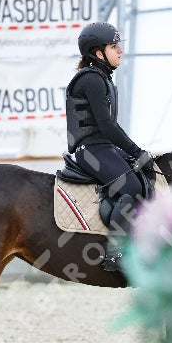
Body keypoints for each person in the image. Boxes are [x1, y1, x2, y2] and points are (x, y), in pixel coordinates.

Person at [65, 22, 154, 271]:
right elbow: (107, 126)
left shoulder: (102, 78)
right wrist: (137, 152)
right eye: (114, 47)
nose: (120, 50)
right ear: (98, 53)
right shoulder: (91, 80)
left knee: (146, 176)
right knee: (132, 188)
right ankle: (115, 254)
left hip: (103, 147)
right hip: (90, 150)